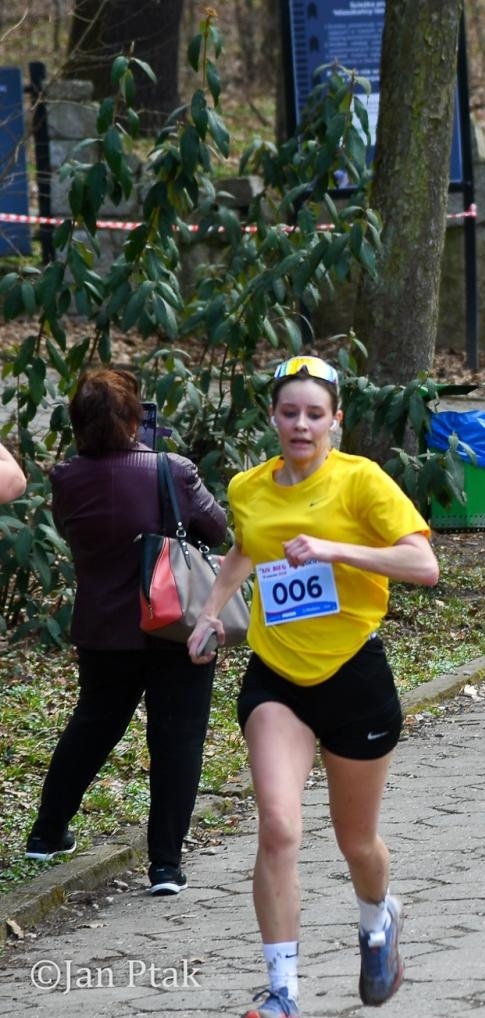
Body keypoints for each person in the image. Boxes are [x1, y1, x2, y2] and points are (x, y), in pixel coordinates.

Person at [187, 355, 439, 1018]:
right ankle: (282, 994)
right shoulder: (249, 487)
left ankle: (378, 919)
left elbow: (423, 563)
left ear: (335, 422)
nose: (301, 424)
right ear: (273, 418)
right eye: (289, 412)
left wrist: (336, 550)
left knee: (356, 841)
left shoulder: (362, 481)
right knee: (277, 826)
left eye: (314, 414)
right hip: (278, 679)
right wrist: (212, 611)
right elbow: (248, 546)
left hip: (354, 675)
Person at [25, 368, 228, 896]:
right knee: (177, 740)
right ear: (135, 417)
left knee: (91, 727)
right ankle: (165, 866)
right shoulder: (173, 470)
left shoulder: (66, 478)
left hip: (104, 629)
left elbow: (77, 531)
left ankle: (46, 834)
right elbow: (218, 530)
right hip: (175, 624)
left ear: (76, 424)